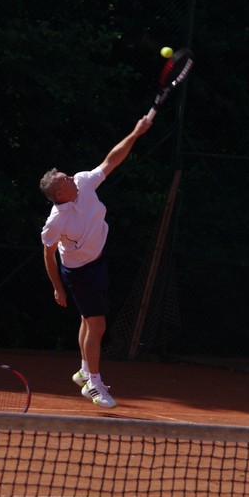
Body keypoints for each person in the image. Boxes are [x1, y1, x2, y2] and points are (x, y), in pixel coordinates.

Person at [40, 117, 152, 408]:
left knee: (87, 320)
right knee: (97, 325)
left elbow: (110, 161)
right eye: (65, 179)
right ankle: (94, 384)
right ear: (60, 194)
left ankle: (83, 371)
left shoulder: (82, 182)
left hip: (97, 262)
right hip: (78, 273)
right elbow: (48, 255)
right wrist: (58, 287)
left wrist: (136, 132)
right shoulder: (56, 221)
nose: (71, 177)